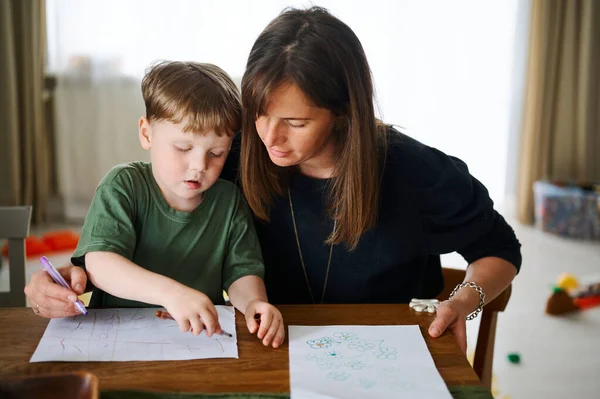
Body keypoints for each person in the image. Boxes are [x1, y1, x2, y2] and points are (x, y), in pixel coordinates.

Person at [25, 7, 520, 353]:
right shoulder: (234, 155)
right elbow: (150, 217)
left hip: (384, 357)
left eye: (296, 123)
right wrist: (62, 283)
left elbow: (500, 249)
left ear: (344, 113)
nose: (269, 137)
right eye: (258, 113)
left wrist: (465, 300)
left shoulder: (417, 172)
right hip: (271, 353)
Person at [25, 61, 284, 348]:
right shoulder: (123, 185)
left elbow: (242, 273)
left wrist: (254, 304)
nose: (199, 165)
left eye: (216, 153)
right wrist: (172, 294)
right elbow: (100, 265)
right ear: (147, 133)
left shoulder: (228, 200)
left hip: (198, 342)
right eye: (183, 148)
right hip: (117, 339)